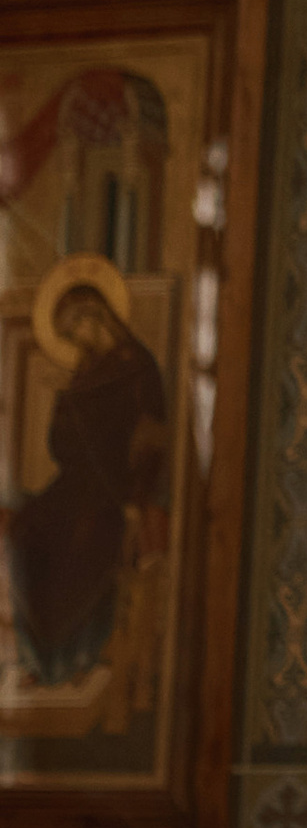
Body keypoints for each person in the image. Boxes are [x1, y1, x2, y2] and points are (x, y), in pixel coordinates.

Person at [6, 260, 165, 689]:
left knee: (84, 544)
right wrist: (64, 405)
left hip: (114, 493)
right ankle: (38, 660)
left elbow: (152, 441)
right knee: (23, 535)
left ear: (97, 316)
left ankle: (78, 657)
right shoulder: (81, 375)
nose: (73, 338)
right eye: (67, 331)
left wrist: (137, 496)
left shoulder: (138, 369)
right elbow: (61, 449)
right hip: (74, 485)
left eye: (74, 326)